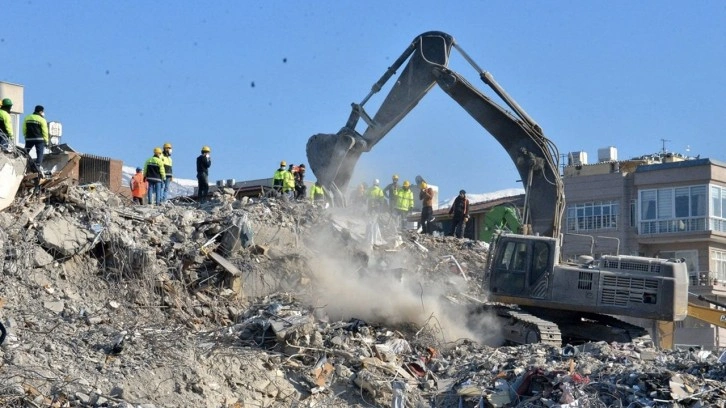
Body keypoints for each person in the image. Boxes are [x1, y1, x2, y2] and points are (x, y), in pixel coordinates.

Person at [22, 105, 49, 173]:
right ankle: (37, 166)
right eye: (42, 111)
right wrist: (46, 141)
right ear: (40, 111)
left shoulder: (27, 117)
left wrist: (25, 136)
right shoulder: (42, 120)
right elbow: (45, 131)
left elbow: (24, 128)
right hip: (39, 139)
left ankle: (23, 163)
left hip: (29, 138)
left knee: (25, 152)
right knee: (39, 153)